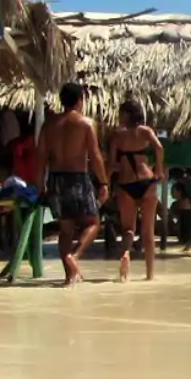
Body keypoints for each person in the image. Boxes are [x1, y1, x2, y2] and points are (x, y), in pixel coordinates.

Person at [40, 84, 107, 285]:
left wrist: (38, 184)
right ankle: (75, 257)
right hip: (77, 177)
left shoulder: (49, 125)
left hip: (56, 178)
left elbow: (40, 156)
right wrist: (103, 182)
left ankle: (70, 276)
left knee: (66, 229)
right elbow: (95, 156)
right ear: (80, 100)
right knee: (94, 223)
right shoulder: (86, 124)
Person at [106, 99, 164, 282]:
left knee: (128, 229)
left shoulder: (117, 136)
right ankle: (149, 275)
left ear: (127, 114)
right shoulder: (145, 132)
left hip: (126, 184)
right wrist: (159, 170)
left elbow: (111, 163)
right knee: (148, 231)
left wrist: (106, 184)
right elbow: (159, 148)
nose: (119, 116)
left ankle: (125, 254)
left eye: (121, 113)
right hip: (147, 182)